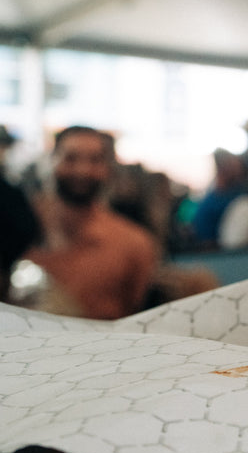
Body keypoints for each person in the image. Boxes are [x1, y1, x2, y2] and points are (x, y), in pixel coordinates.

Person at [24, 126, 159, 320]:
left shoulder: (134, 243)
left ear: (107, 168)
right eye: (70, 158)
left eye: (94, 160)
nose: (82, 170)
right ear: (52, 160)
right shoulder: (20, 226)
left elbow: (135, 312)